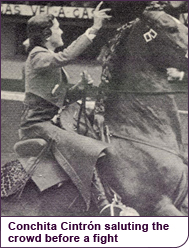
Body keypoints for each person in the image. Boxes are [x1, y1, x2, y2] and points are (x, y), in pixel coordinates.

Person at [17, 2, 130, 216]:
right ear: (47, 33)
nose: (62, 31)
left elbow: (61, 97)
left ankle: (112, 195)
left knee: (96, 135)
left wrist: (81, 88)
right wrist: (94, 28)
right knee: (86, 147)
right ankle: (105, 205)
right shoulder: (36, 56)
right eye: (58, 27)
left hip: (48, 123)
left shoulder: (45, 59)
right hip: (36, 126)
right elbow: (65, 57)